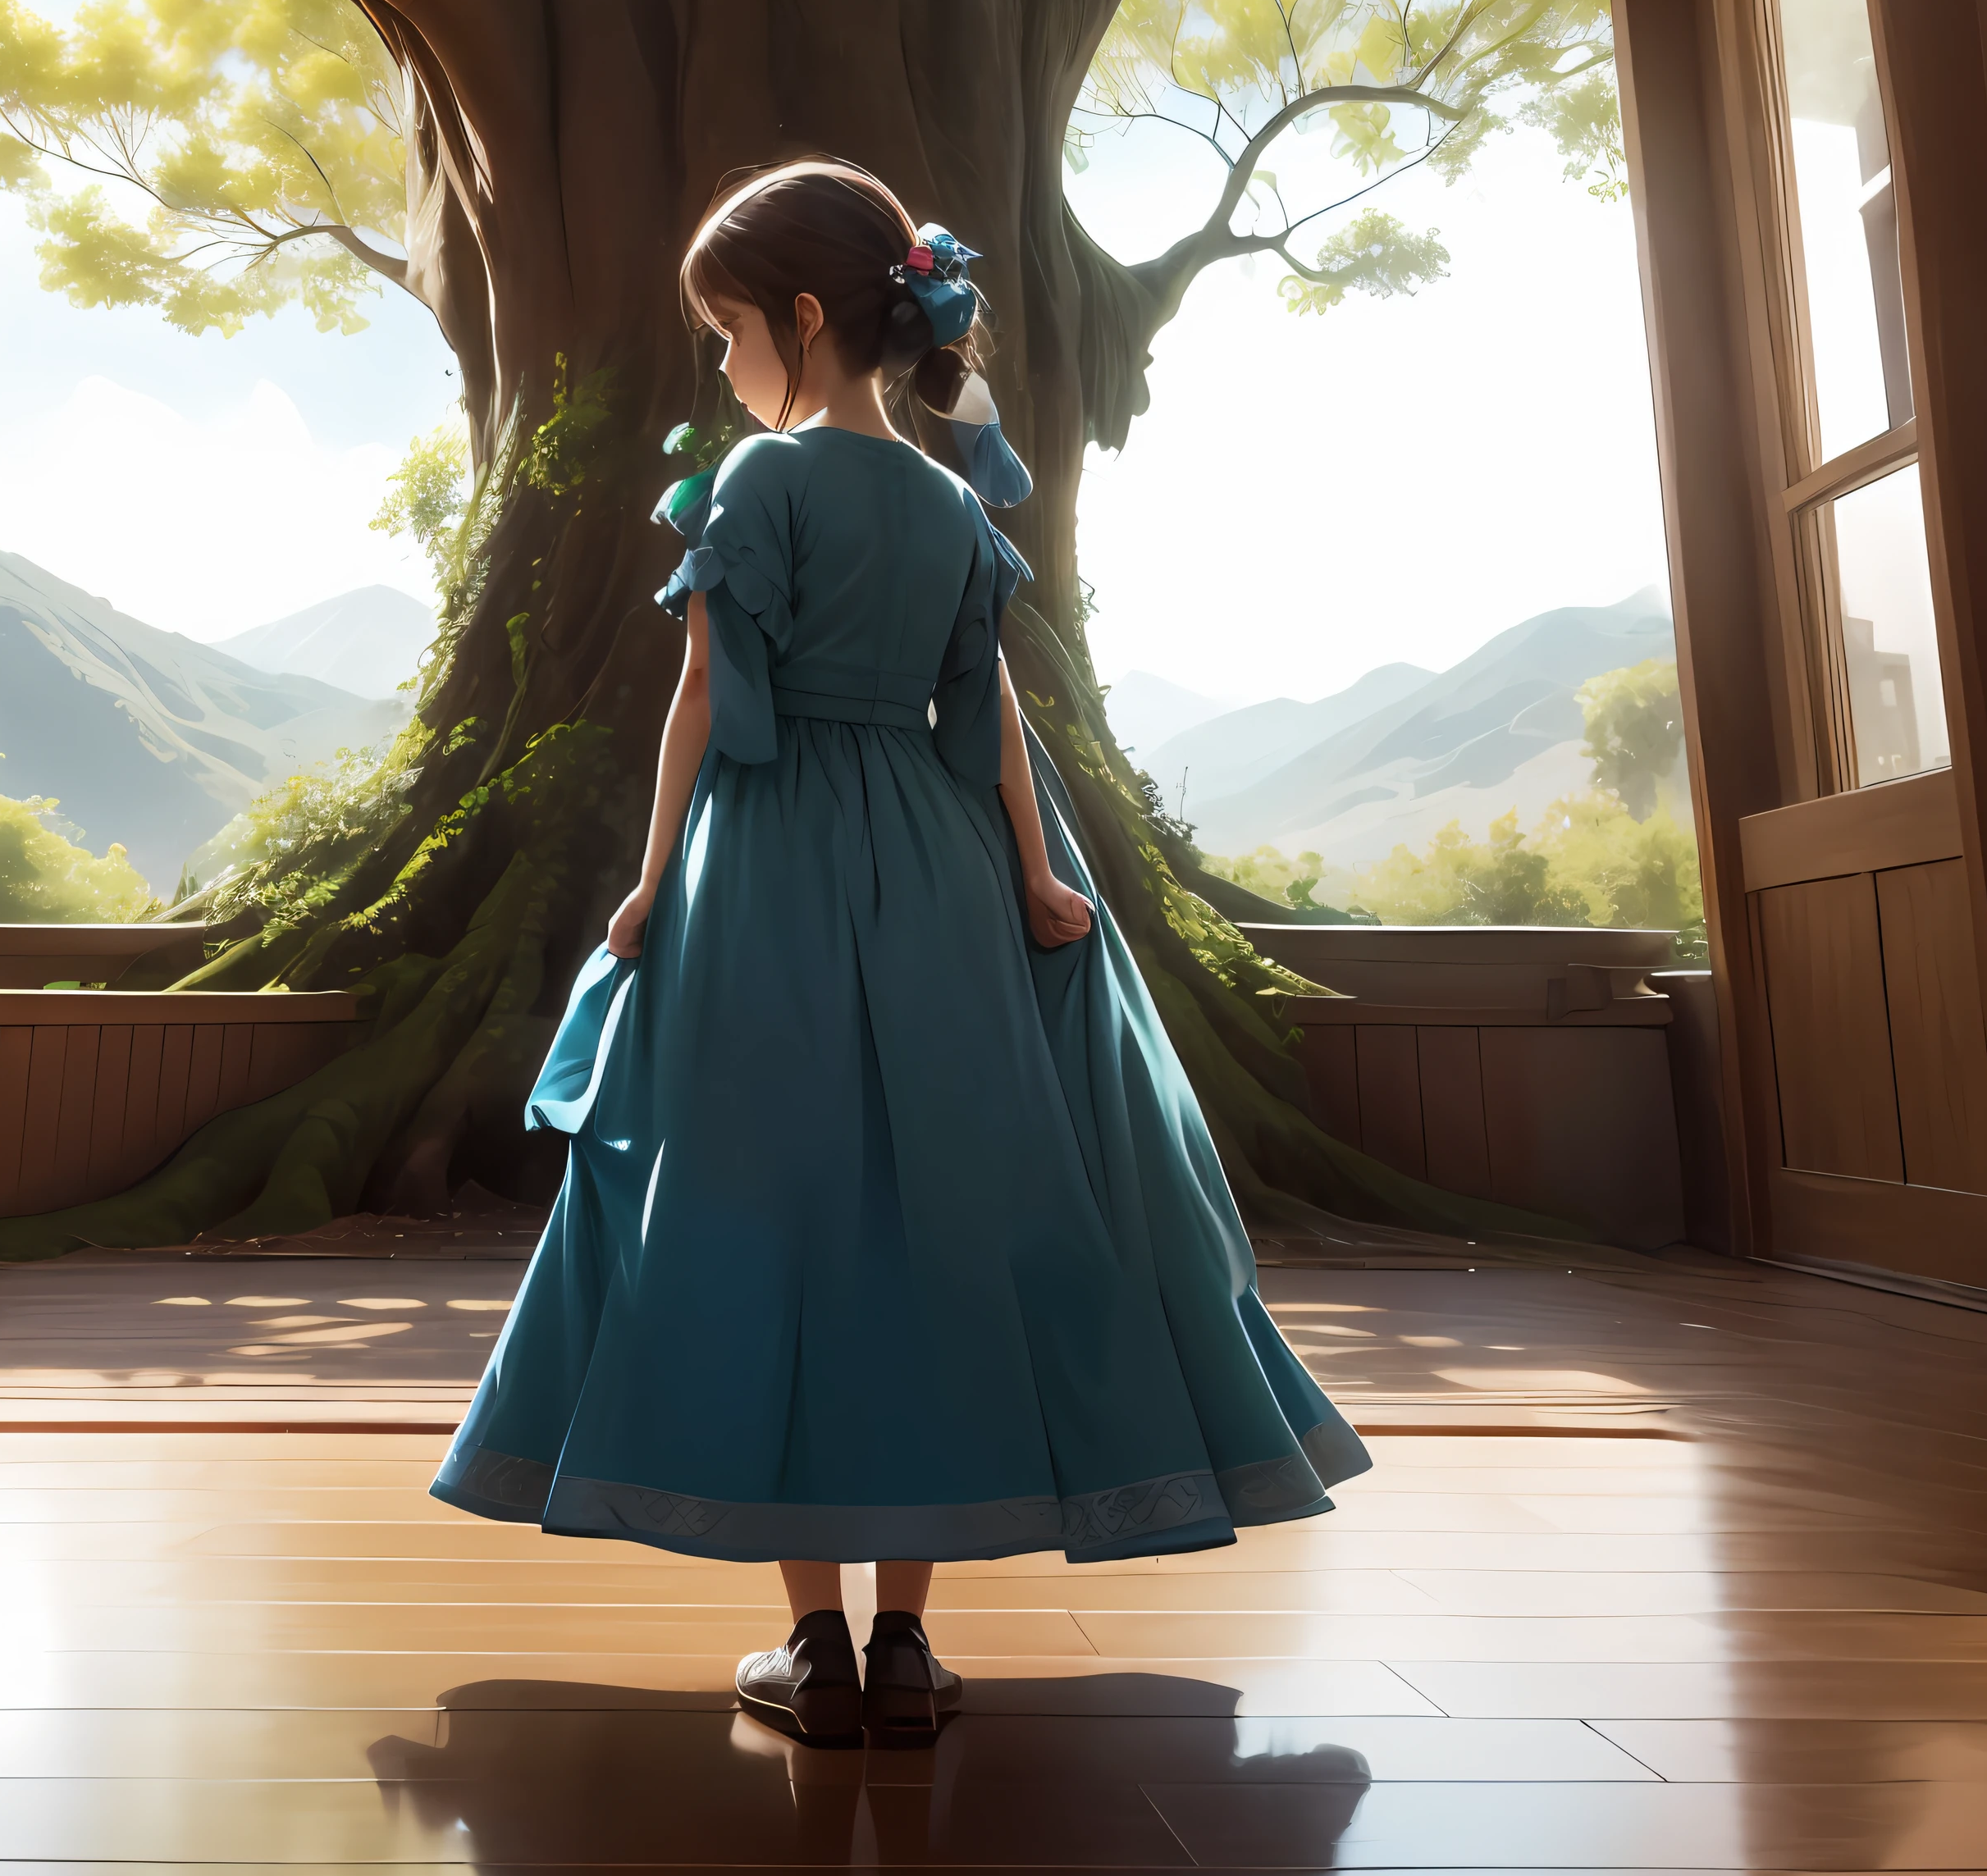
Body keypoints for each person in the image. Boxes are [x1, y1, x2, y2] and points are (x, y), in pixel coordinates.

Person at [431, 157, 1369, 1750]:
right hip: (938, 864)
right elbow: (985, 708)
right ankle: (909, 1646)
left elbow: (703, 701)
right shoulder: (948, 499)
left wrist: (649, 877)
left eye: (724, 329)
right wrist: (1026, 869)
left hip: (775, 864)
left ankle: (809, 1638)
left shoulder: (760, 481)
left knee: (781, 1213)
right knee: (933, 1217)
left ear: (799, 316)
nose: (719, 361)